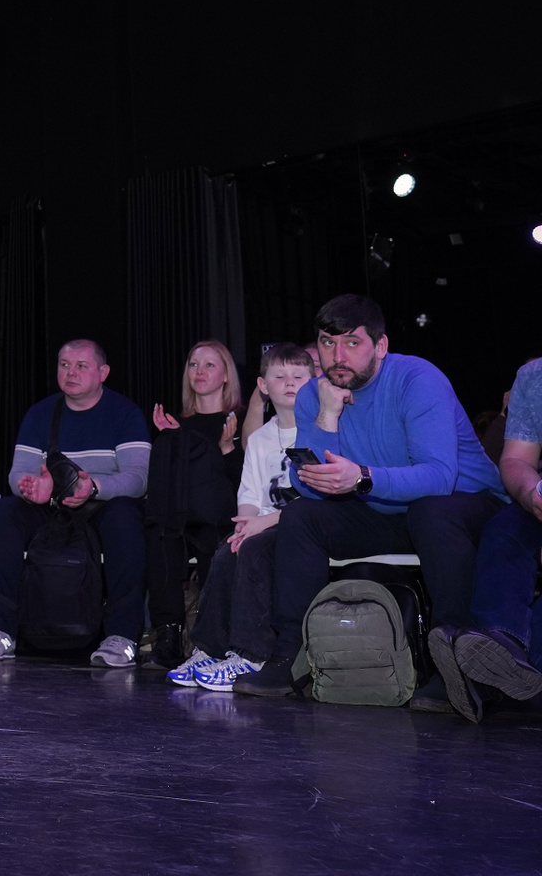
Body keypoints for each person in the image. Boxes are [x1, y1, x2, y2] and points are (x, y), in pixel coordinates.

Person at [236, 295, 510, 704]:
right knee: (301, 516)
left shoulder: (417, 379)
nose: (337, 356)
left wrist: (362, 477)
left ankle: (454, 662)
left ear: (380, 346)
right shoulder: (314, 395)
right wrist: (327, 417)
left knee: (431, 512)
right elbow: (308, 484)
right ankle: (290, 656)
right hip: (388, 510)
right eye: (328, 343)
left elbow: (439, 477)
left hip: (468, 505)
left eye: (352, 342)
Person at [0, 339, 151, 667]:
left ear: (103, 373)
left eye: (81, 366)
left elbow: (138, 478)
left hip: (102, 504)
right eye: (64, 365)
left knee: (126, 517)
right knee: (5, 513)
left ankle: (122, 635)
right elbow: (18, 474)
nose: (70, 373)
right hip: (52, 506)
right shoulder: (40, 414)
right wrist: (34, 489)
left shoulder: (125, 414)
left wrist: (94, 487)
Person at [174, 343, 312, 691]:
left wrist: (260, 525)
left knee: (253, 550)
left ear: (314, 382)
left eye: (298, 376)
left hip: (297, 525)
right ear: (263, 386)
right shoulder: (260, 439)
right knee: (228, 549)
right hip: (262, 522)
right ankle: (209, 650)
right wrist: (244, 525)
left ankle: (251, 655)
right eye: (279, 377)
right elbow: (249, 494)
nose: (289, 383)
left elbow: (311, 499)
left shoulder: (319, 430)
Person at [431, 356, 542, 720]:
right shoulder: (535, 376)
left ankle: (487, 683)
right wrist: (533, 495)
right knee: (504, 528)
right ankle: (501, 643)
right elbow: (516, 461)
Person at [143, 340, 245, 668]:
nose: (199, 371)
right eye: (193, 364)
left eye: (209, 365)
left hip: (220, 516)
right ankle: (168, 636)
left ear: (226, 375)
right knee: (160, 535)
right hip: (180, 516)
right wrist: (172, 440)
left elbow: (243, 483)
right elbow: (168, 484)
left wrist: (227, 448)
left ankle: (215, 639)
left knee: (215, 541)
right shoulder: (175, 423)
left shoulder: (238, 420)